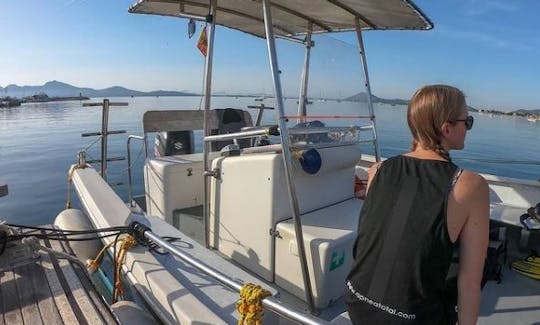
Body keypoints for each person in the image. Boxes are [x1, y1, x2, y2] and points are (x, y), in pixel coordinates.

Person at [345, 85, 489, 324]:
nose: (468, 128)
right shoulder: (470, 185)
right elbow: (470, 283)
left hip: (356, 301)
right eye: (468, 121)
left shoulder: (378, 170)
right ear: (447, 129)